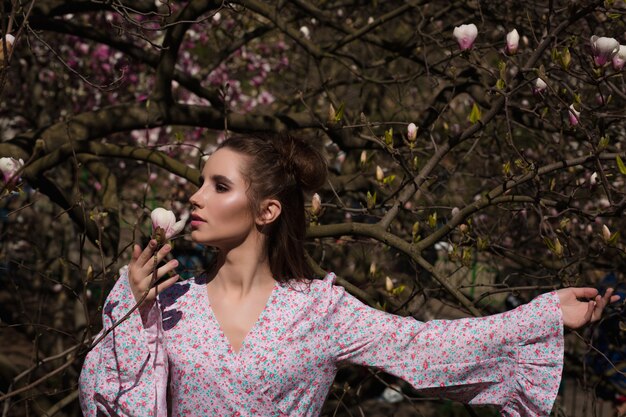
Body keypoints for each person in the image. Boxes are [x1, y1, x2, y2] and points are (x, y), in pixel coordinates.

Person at [79, 133, 620, 417]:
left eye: (219, 186)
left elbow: (425, 346)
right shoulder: (169, 306)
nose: (195, 196)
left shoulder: (320, 309)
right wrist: (130, 305)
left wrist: (544, 314)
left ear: (267, 211)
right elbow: (112, 400)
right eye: (201, 182)